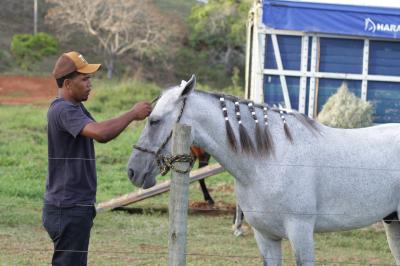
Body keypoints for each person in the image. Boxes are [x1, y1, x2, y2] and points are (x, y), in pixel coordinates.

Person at [42, 51, 152, 266]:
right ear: (67, 83)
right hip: (68, 207)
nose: (90, 84)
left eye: (89, 78)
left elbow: (102, 131)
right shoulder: (64, 110)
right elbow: (101, 133)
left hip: (72, 205)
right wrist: (132, 114)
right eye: (84, 79)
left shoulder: (76, 107)